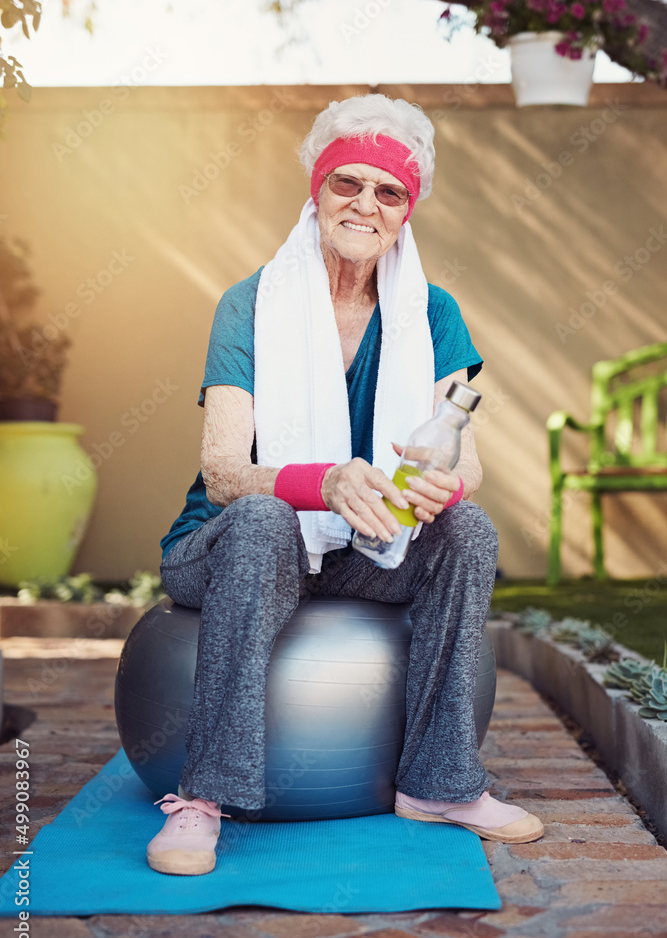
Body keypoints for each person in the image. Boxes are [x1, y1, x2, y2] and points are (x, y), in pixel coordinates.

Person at [147, 93, 544, 876]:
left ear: (407, 211)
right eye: (346, 183)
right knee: (263, 519)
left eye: (388, 191)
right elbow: (226, 472)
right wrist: (320, 482)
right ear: (316, 190)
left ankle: (438, 784)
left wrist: (442, 491)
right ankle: (204, 797)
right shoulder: (249, 304)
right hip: (231, 548)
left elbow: (465, 460)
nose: (365, 204)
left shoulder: (431, 313)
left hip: (362, 551)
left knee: (469, 529)